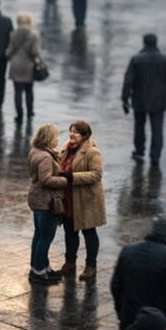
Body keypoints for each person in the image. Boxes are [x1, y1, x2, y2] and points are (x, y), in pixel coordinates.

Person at [57, 120, 106, 282]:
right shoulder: (67, 147)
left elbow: (96, 175)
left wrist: (72, 176)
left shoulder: (93, 152)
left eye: (76, 132)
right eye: (71, 131)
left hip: (85, 200)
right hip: (69, 198)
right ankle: (70, 263)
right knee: (70, 232)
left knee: (89, 233)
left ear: (85, 135)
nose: (72, 134)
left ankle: (91, 266)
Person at [122, 34, 166, 167]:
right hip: (158, 100)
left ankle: (140, 151)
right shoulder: (165, 60)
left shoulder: (136, 59)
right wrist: (164, 93)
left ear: (144, 43)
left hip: (139, 98)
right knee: (157, 129)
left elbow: (128, 80)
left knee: (139, 126)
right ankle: (155, 156)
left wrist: (125, 99)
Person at [27, 124, 67, 284]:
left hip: (37, 199)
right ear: (49, 139)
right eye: (56, 136)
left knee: (39, 236)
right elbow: (46, 180)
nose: (58, 139)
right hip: (46, 202)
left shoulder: (36, 151)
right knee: (45, 238)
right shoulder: (46, 157)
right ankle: (39, 271)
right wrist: (65, 180)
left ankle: (41, 266)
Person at [5, 12, 41, 124]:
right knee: (29, 90)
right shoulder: (34, 35)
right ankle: (30, 112)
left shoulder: (13, 34)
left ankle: (19, 114)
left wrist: (8, 54)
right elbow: (35, 52)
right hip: (29, 65)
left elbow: (9, 51)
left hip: (16, 64)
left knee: (18, 91)